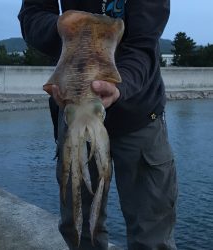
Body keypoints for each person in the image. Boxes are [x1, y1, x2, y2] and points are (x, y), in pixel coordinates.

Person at [18, 1, 178, 249]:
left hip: (140, 112)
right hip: (73, 102)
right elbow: (33, 14)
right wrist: (66, 27)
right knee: (78, 229)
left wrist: (120, 86)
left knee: (152, 233)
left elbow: (142, 42)